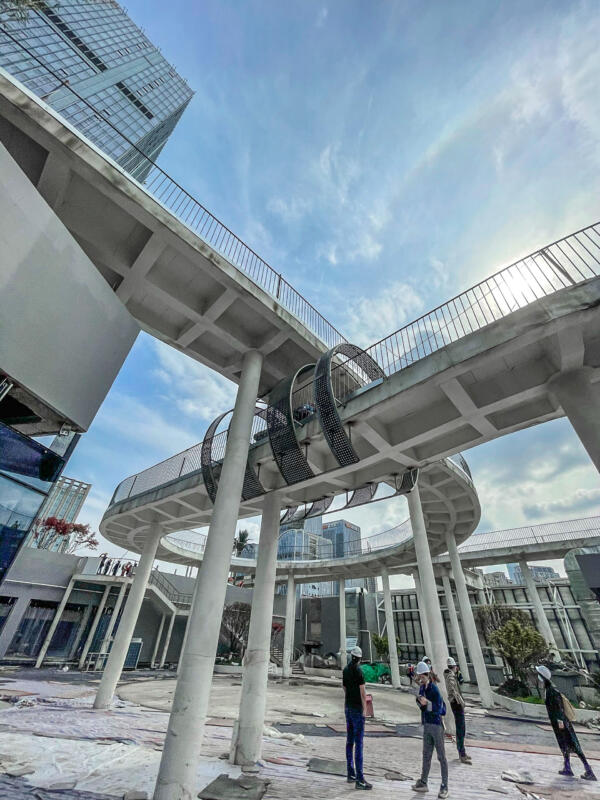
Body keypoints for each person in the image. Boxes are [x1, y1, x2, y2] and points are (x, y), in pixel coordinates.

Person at [536, 665, 596, 781]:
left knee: (574, 746)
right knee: (564, 746)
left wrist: (560, 723)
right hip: (560, 724)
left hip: (562, 724)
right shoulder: (549, 690)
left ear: (542, 678)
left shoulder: (552, 692)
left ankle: (589, 770)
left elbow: (559, 709)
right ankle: (567, 768)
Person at [412, 660, 449, 798]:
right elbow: (422, 707)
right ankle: (423, 782)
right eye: (419, 676)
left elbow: (439, 709)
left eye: (422, 676)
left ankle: (444, 786)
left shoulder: (434, 689)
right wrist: (420, 703)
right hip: (427, 724)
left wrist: (426, 704)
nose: (420, 679)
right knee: (426, 755)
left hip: (436, 725)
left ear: (427, 675)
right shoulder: (422, 689)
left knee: (441, 757)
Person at [342, 645, 372, 790]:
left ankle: (350, 773)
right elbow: (362, 692)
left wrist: (349, 698)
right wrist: (365, 709)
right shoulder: (359, 671)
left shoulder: (346, 670)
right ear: (359, 658)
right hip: (357, 710)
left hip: (348, 708)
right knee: (359, 744)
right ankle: (360, 779)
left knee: (350, 742)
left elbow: (344, 687)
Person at [444, 657, 471, 764]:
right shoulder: (450, 676)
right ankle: (462, 754)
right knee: (461, 728)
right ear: (454, 667)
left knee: (461, 728)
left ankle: (462, 752)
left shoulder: (450, 675)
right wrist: (458, 699)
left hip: (455, 703)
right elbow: (452, 689)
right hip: (456, 703)